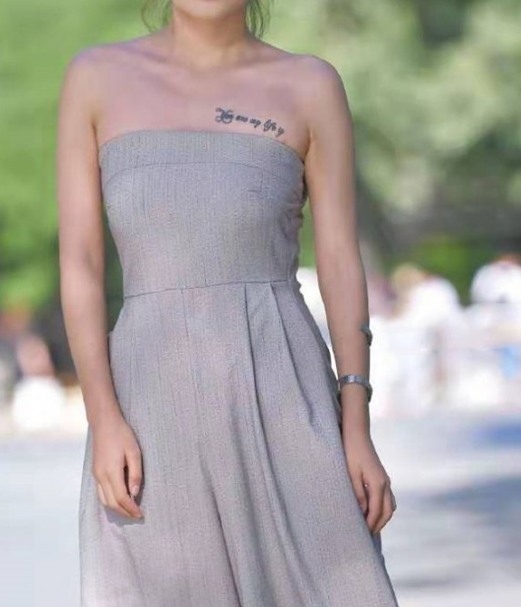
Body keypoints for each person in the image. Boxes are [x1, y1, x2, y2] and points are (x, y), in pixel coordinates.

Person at [56, 1, 400, 605]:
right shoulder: (95, 78)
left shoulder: (310, 84)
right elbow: (80, 263)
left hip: (285, 392)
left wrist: (356, 425)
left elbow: (340, 259)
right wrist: (103, 418)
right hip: (150, 406)